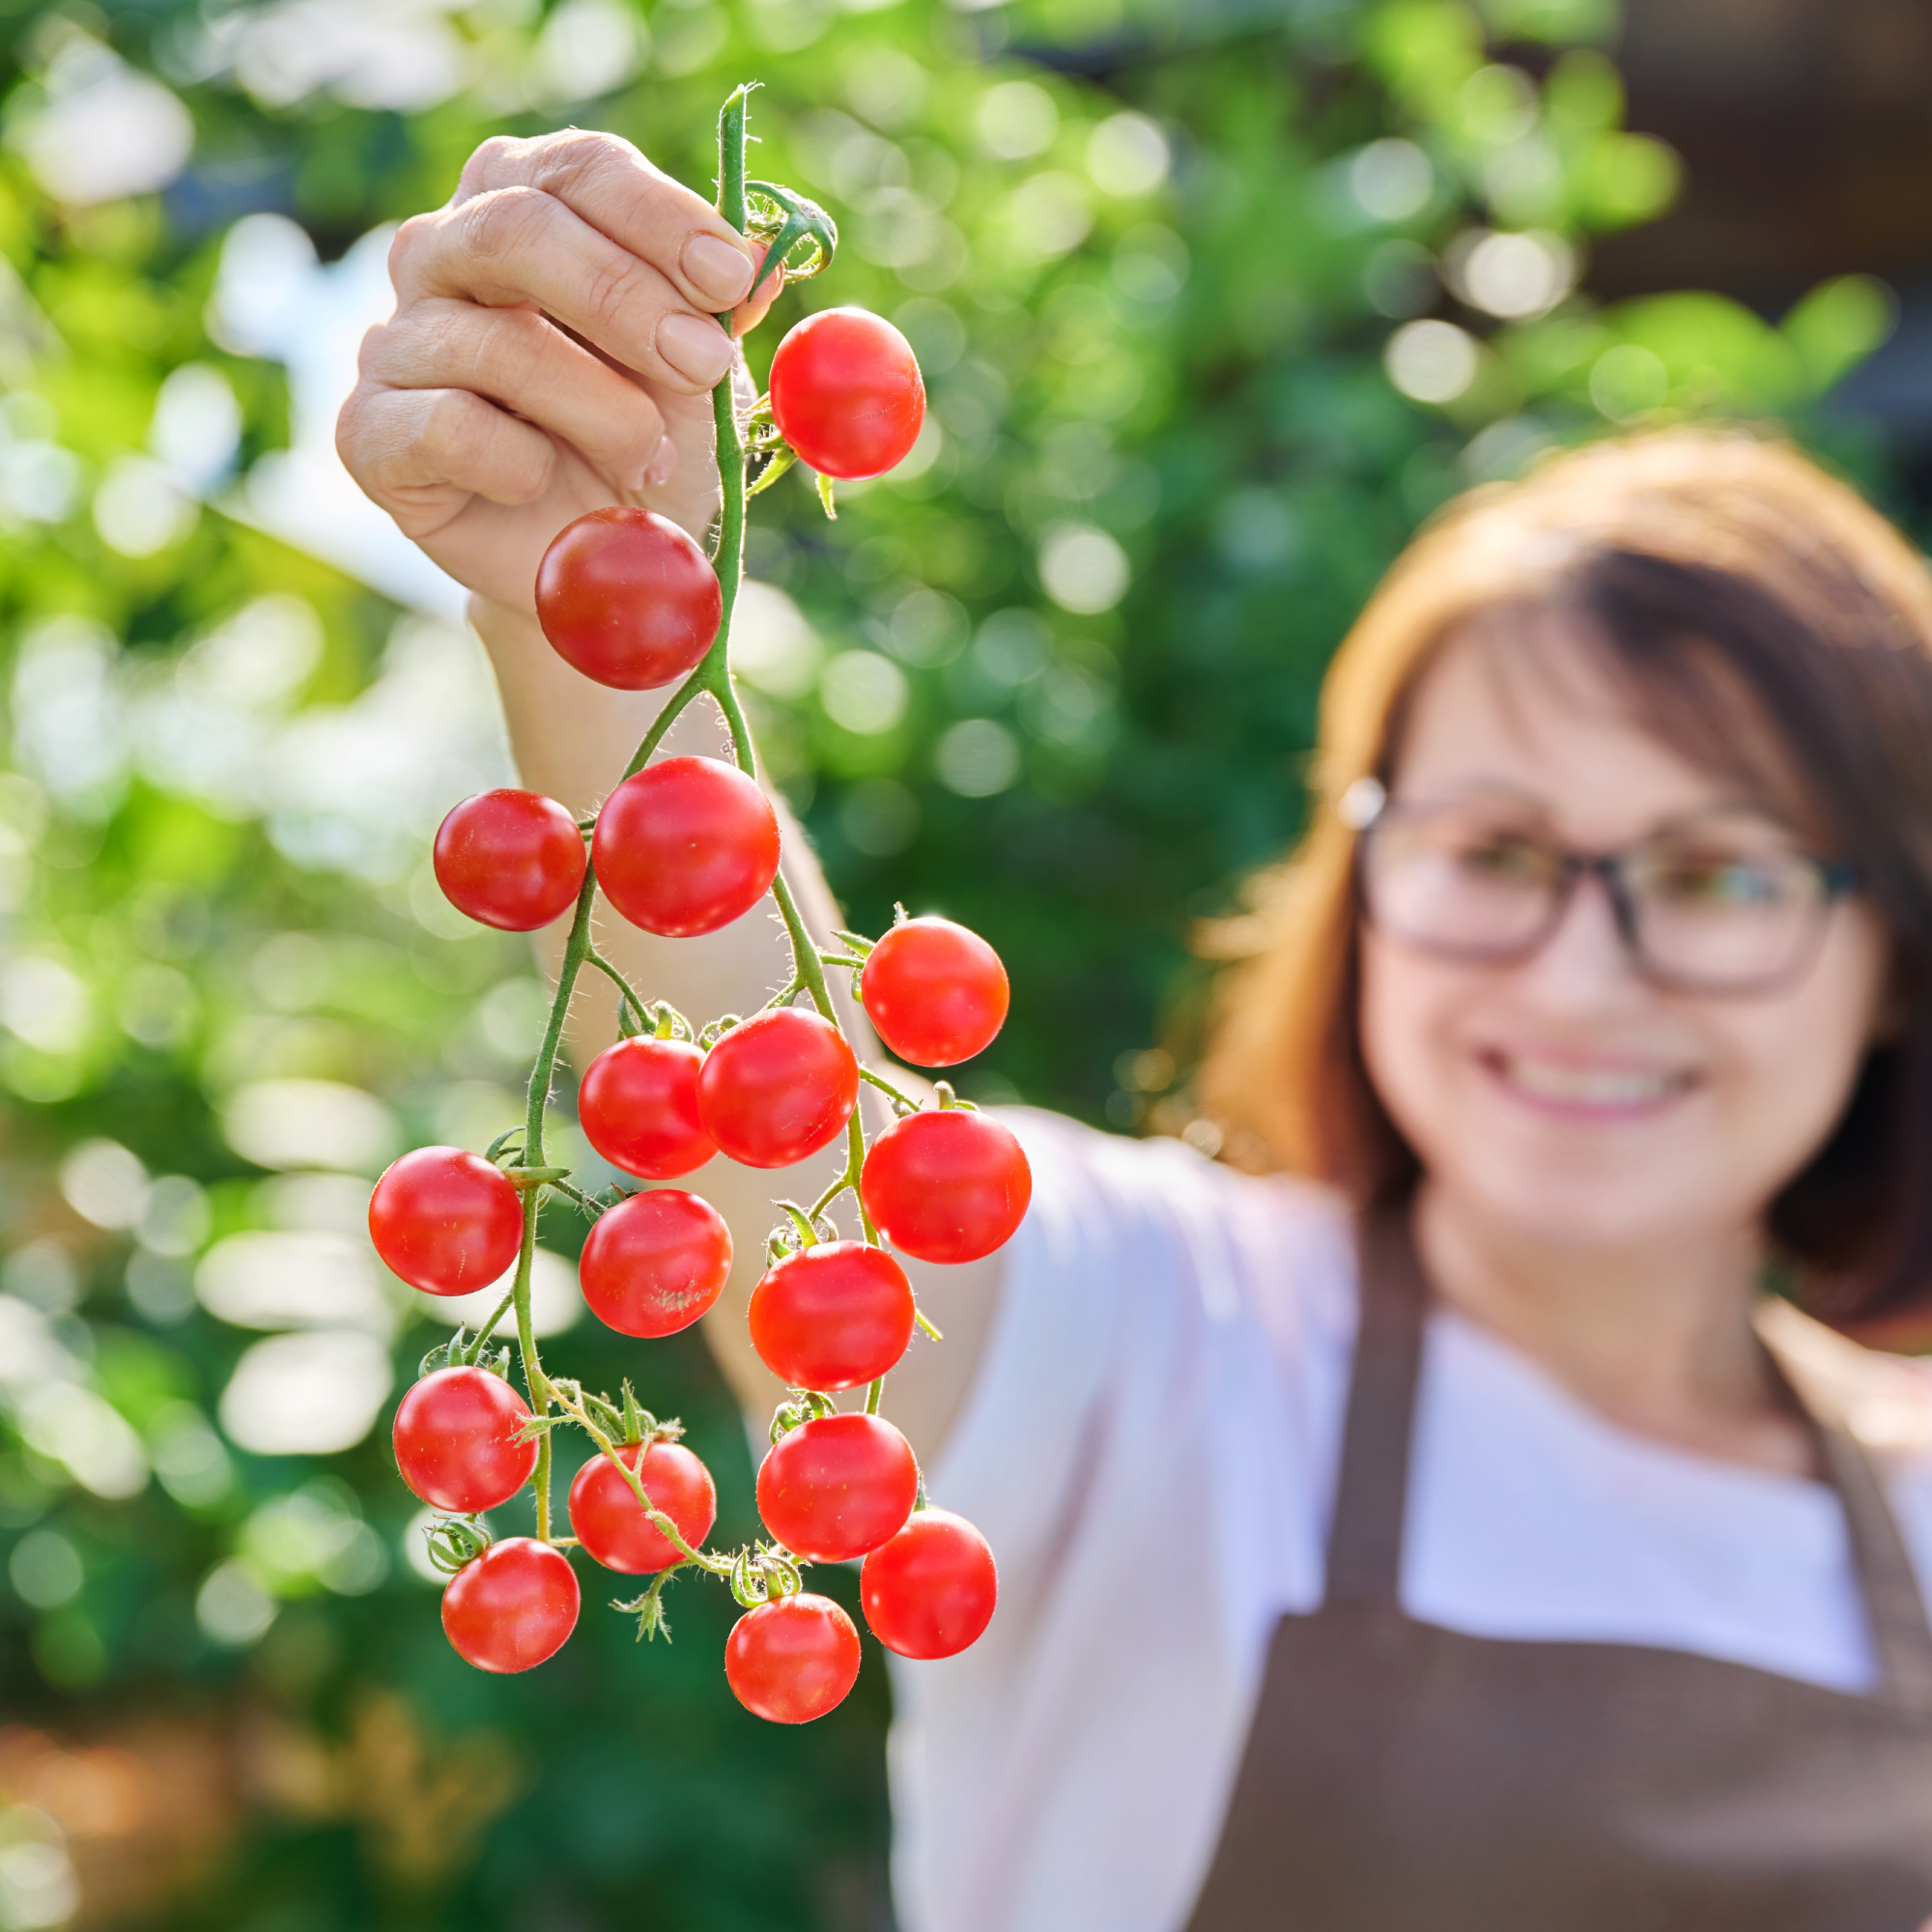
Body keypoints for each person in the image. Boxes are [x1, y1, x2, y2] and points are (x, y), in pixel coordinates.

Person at [337, 129, 1932, 1932]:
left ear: (1889, 955)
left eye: (1717, 877)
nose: (1582, 972)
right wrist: (596, 600)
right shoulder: (1166, 1341)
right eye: (1497, 852)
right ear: (1360, 893)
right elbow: (763, 1091)